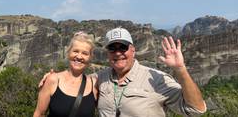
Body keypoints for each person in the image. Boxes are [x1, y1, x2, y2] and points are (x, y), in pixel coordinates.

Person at [40, 27, 207, 117]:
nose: (118, 52)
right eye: (113, 48)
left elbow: (196, 110)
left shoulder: (156, 79)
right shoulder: (99, 78)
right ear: (107, 53)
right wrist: (53, 76)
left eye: (123, 47)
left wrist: (180, 70)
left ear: (133, 50)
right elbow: (74, 79)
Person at [33, 31, 98, 117]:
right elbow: (39, 113)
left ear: (90, 58)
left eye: (84, 53)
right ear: (68, 53)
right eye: (75, 51)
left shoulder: (95, 85)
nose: (79, 56)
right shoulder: (53, 80)